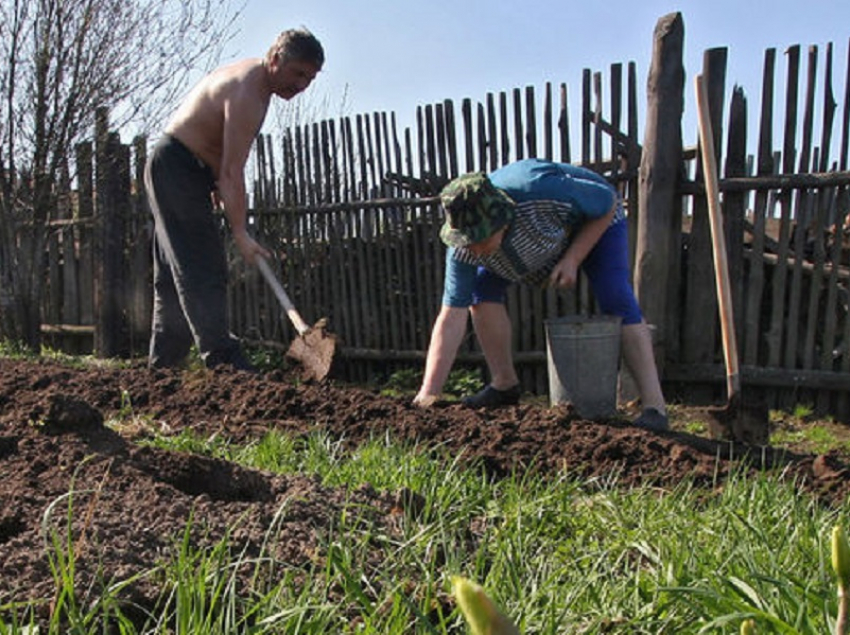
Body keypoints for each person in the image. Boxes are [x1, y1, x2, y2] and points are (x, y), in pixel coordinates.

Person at [412, 158, 669, 432]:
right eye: (466, 241)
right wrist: (428, 394)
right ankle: (504, 384)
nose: (471, 249)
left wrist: (573, 258)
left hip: (591, 224)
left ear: (501, 220)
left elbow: (607, 202)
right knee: (480, 292)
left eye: (479, 239)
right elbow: (451, 316)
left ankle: (655, 407)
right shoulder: (464, 246)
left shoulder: (539, 191)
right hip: (527, 248)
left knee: (615, 296)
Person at [144, 28, 324, 371]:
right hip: (178, 167)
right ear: (275, 59)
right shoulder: (248, 93)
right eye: (298, 73)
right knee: (203, 265)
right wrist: (240, 232)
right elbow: (232, 171)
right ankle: (225, 363)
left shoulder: (256, 84)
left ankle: (163, 369)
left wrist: (207, 181)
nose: (302, 85)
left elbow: (218, 156)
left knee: (173, 275)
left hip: (181, 168)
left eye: (310, 78)